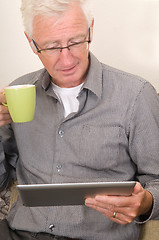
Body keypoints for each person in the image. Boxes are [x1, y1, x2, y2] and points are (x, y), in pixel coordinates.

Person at [0, 0, 159, 239]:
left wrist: (146, 202)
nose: (67, 60)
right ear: (32, 43)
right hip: (19, 232)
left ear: (90, 30)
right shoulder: (16, 93)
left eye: (75, 42)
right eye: (52, 47)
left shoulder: (136, 95)